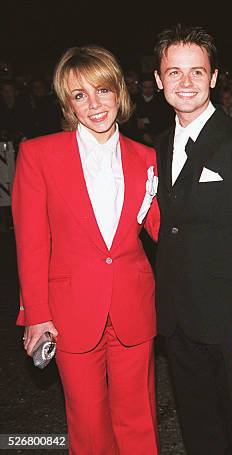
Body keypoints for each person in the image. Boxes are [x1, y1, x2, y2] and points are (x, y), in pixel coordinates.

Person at [13, 45, 160, 454]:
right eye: (80, 95)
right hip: (70, 310)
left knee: (139, 420)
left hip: (133, 304)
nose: (94, 104)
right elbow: (30, 242)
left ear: (119, 93)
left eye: (102, 90)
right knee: (89, 423)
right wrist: (36, 315)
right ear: (68, 103)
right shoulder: (38, 155)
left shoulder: (146, 158)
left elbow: (167, 231)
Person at [152, 25, 232, 455]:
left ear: (213, 77)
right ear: (158, 80)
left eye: (196, 72)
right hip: (177, 317)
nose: (185, 83)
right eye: (174, 72)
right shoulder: (158, 145)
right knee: (198, 427)